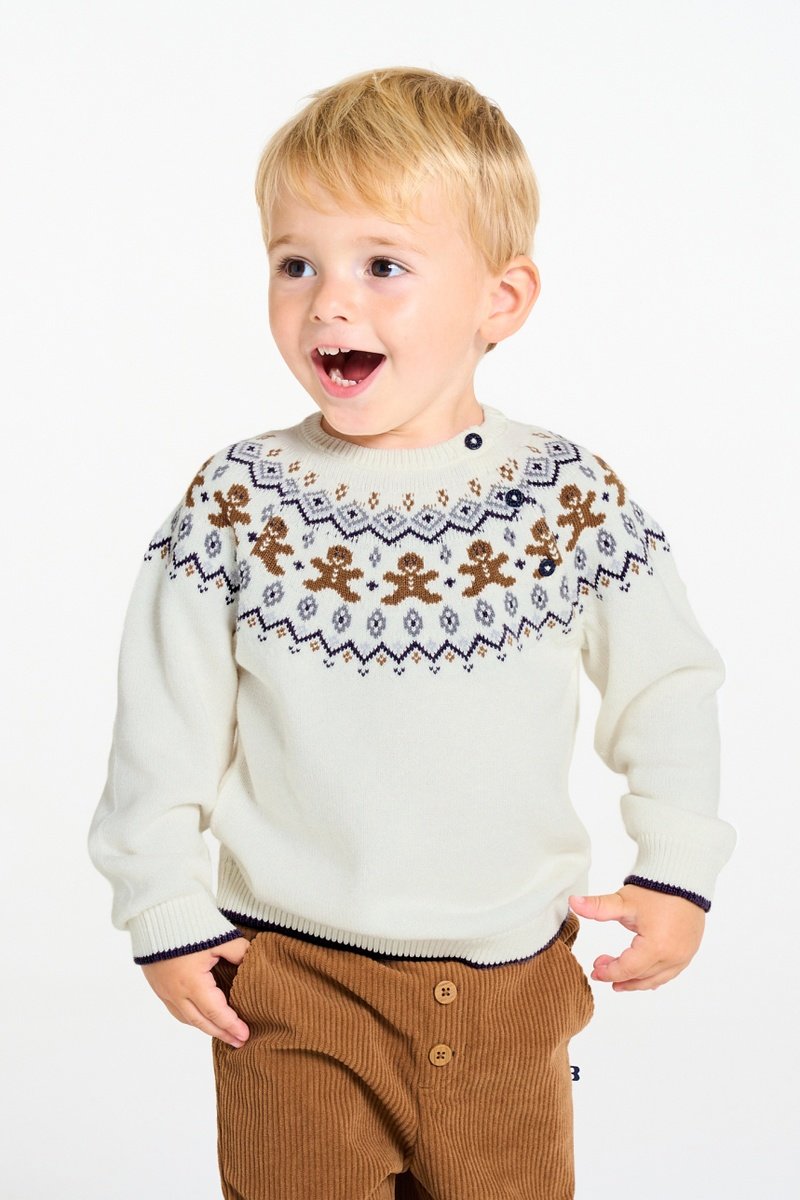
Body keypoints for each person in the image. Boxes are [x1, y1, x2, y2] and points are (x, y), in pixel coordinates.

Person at [87, 65, 736, 1199]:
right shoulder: (239, 501)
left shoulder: (563, 496)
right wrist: (162, 906)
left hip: (508, 986)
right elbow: (164, 720)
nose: (327, 304)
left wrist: (676, 869)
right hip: (291, 982)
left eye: (382, 266)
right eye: (296, 264)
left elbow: (666, 685)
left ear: (501, 299)